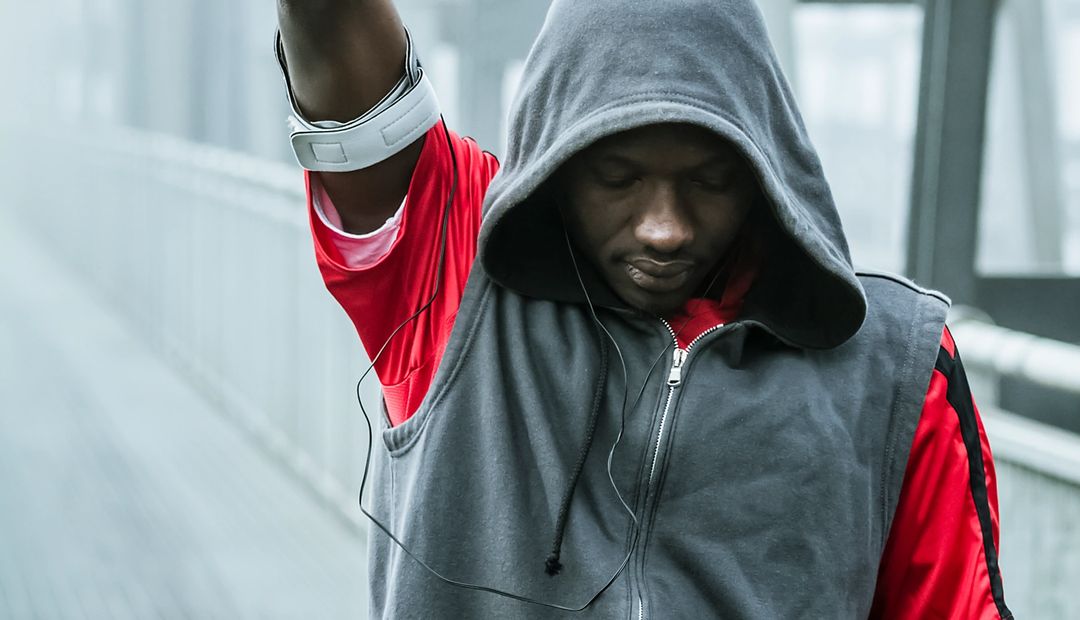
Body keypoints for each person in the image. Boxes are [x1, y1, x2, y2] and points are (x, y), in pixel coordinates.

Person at [275, 0, 1013, 618]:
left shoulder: (893, 367)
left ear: (764, 168)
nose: (666, 228)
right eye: (618, 176)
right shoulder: (461, 260)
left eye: (711, 180)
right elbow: (332, 28)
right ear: (559, 166)